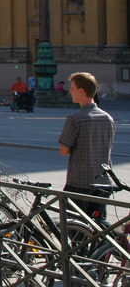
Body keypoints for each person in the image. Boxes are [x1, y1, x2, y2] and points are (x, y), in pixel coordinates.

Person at [59, 72, 115, 218]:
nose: (70, 91)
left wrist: (79, 149)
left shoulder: (75, 119)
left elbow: (64, 150)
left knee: (74, 228)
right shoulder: (108, 118)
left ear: (81, 91)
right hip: (103, 181)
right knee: (99, 226)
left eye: (72, 88)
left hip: (80, 182)